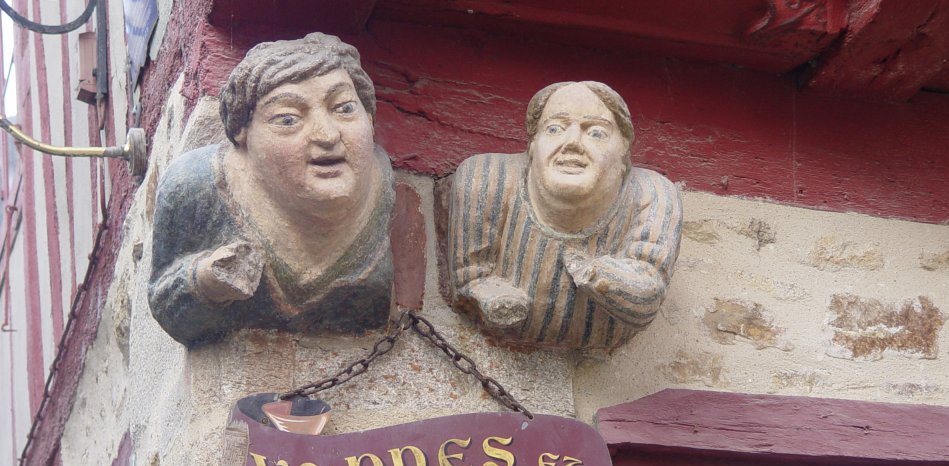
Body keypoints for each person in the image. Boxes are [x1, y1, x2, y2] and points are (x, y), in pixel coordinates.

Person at [149, 33, 393, 347]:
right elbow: (165, 302)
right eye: (287, 119)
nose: (328, 135)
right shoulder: (195, 185)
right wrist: (205, 279)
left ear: (370, 117)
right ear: (242, 134)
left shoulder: (382, 181)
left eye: (345, 109)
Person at [448, 81, 683, 353]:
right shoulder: (487, 179)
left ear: (624, 151)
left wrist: (597, 275)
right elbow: (471, 278)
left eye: (596, 133)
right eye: (554, 129)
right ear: (533, 145)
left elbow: (648, 290)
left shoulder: (651, 193)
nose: (572, 143)